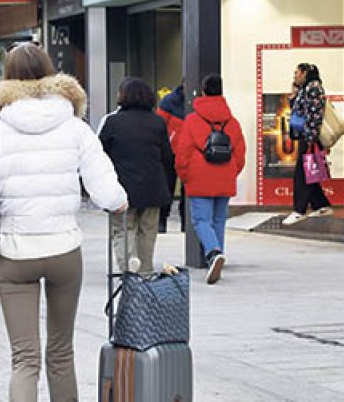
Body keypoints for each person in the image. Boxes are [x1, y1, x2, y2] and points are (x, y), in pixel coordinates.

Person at [0, 44, 128, 401]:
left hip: (16, 253)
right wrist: (118, 202)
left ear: (7, 78)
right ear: (52, 74)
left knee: (24, 358)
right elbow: (107, 191)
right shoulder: (74, 125)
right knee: (61, 353)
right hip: (65, 249)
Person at [99, 78, 176, 273]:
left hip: (122, 188)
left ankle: (129, 265)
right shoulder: (157, 122)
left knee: (123, 230)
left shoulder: (113, 122)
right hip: (152, 187)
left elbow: (99, 155)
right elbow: (167, 157)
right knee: (148, 231)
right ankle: (146, 270)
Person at [174, 74, 246, 285]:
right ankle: (217, 256)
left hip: (199, 178)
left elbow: (183, 153)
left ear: (203, 91)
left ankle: (213, 254)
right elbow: (240, 154)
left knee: (201, 220)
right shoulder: (232, 122)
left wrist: (184, 177)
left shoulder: (192, 121)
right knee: (218, 220)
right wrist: (232, 171)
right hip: (224, 176)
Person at [283, 63, 334, 226]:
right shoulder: (306, 88)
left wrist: (310, 139)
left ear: (305, 72)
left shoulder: (313, 87)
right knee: (309, 171)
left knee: (302, 174)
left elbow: (314, 114)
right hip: (307, 136)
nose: (295, 75)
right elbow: (299, 110)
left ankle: (299, 210)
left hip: (309, 137)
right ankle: (321, 205)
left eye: (297, 72)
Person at [156, 83, 187, 232]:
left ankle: (185, 221)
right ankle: (162, 220)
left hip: (188, 152)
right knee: (167, 186)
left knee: (187, 189)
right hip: (170, 152)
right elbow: (159, 126)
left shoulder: (196, 102)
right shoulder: (169, 101)